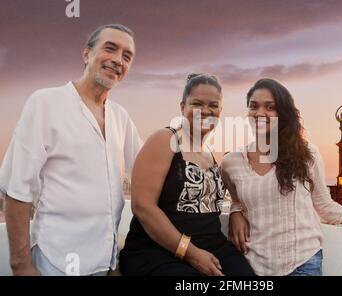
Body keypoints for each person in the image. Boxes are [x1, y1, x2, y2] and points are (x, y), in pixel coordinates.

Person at [220, 78, 342, 276]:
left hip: (303, 264)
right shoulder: (232, 163)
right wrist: (236, 211)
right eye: (253, 106)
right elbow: (234, 197)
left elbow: (326, 206)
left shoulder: (307, 154)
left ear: (283, 113)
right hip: (253, 266)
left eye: (270, 107)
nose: (260, 113)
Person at [0, 24, 142, 276]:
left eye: (127, 56)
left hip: (105, 263)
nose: (118, 60)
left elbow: (147, 169)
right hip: (54, 262)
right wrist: (21, 265)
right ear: (86, 54)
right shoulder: (45, 103)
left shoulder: (120, 117)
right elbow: (16, 190)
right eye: (110, 49)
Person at [119, 73, 255, 276]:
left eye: (213, 105)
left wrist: (236, 211)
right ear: (182, 107)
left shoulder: (209, 153)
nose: (206, 111)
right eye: (197, 103)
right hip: (158, 250)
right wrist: (190, 253)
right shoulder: (165, 140)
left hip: (212, 245)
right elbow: (142, 206)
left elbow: (235, 193)